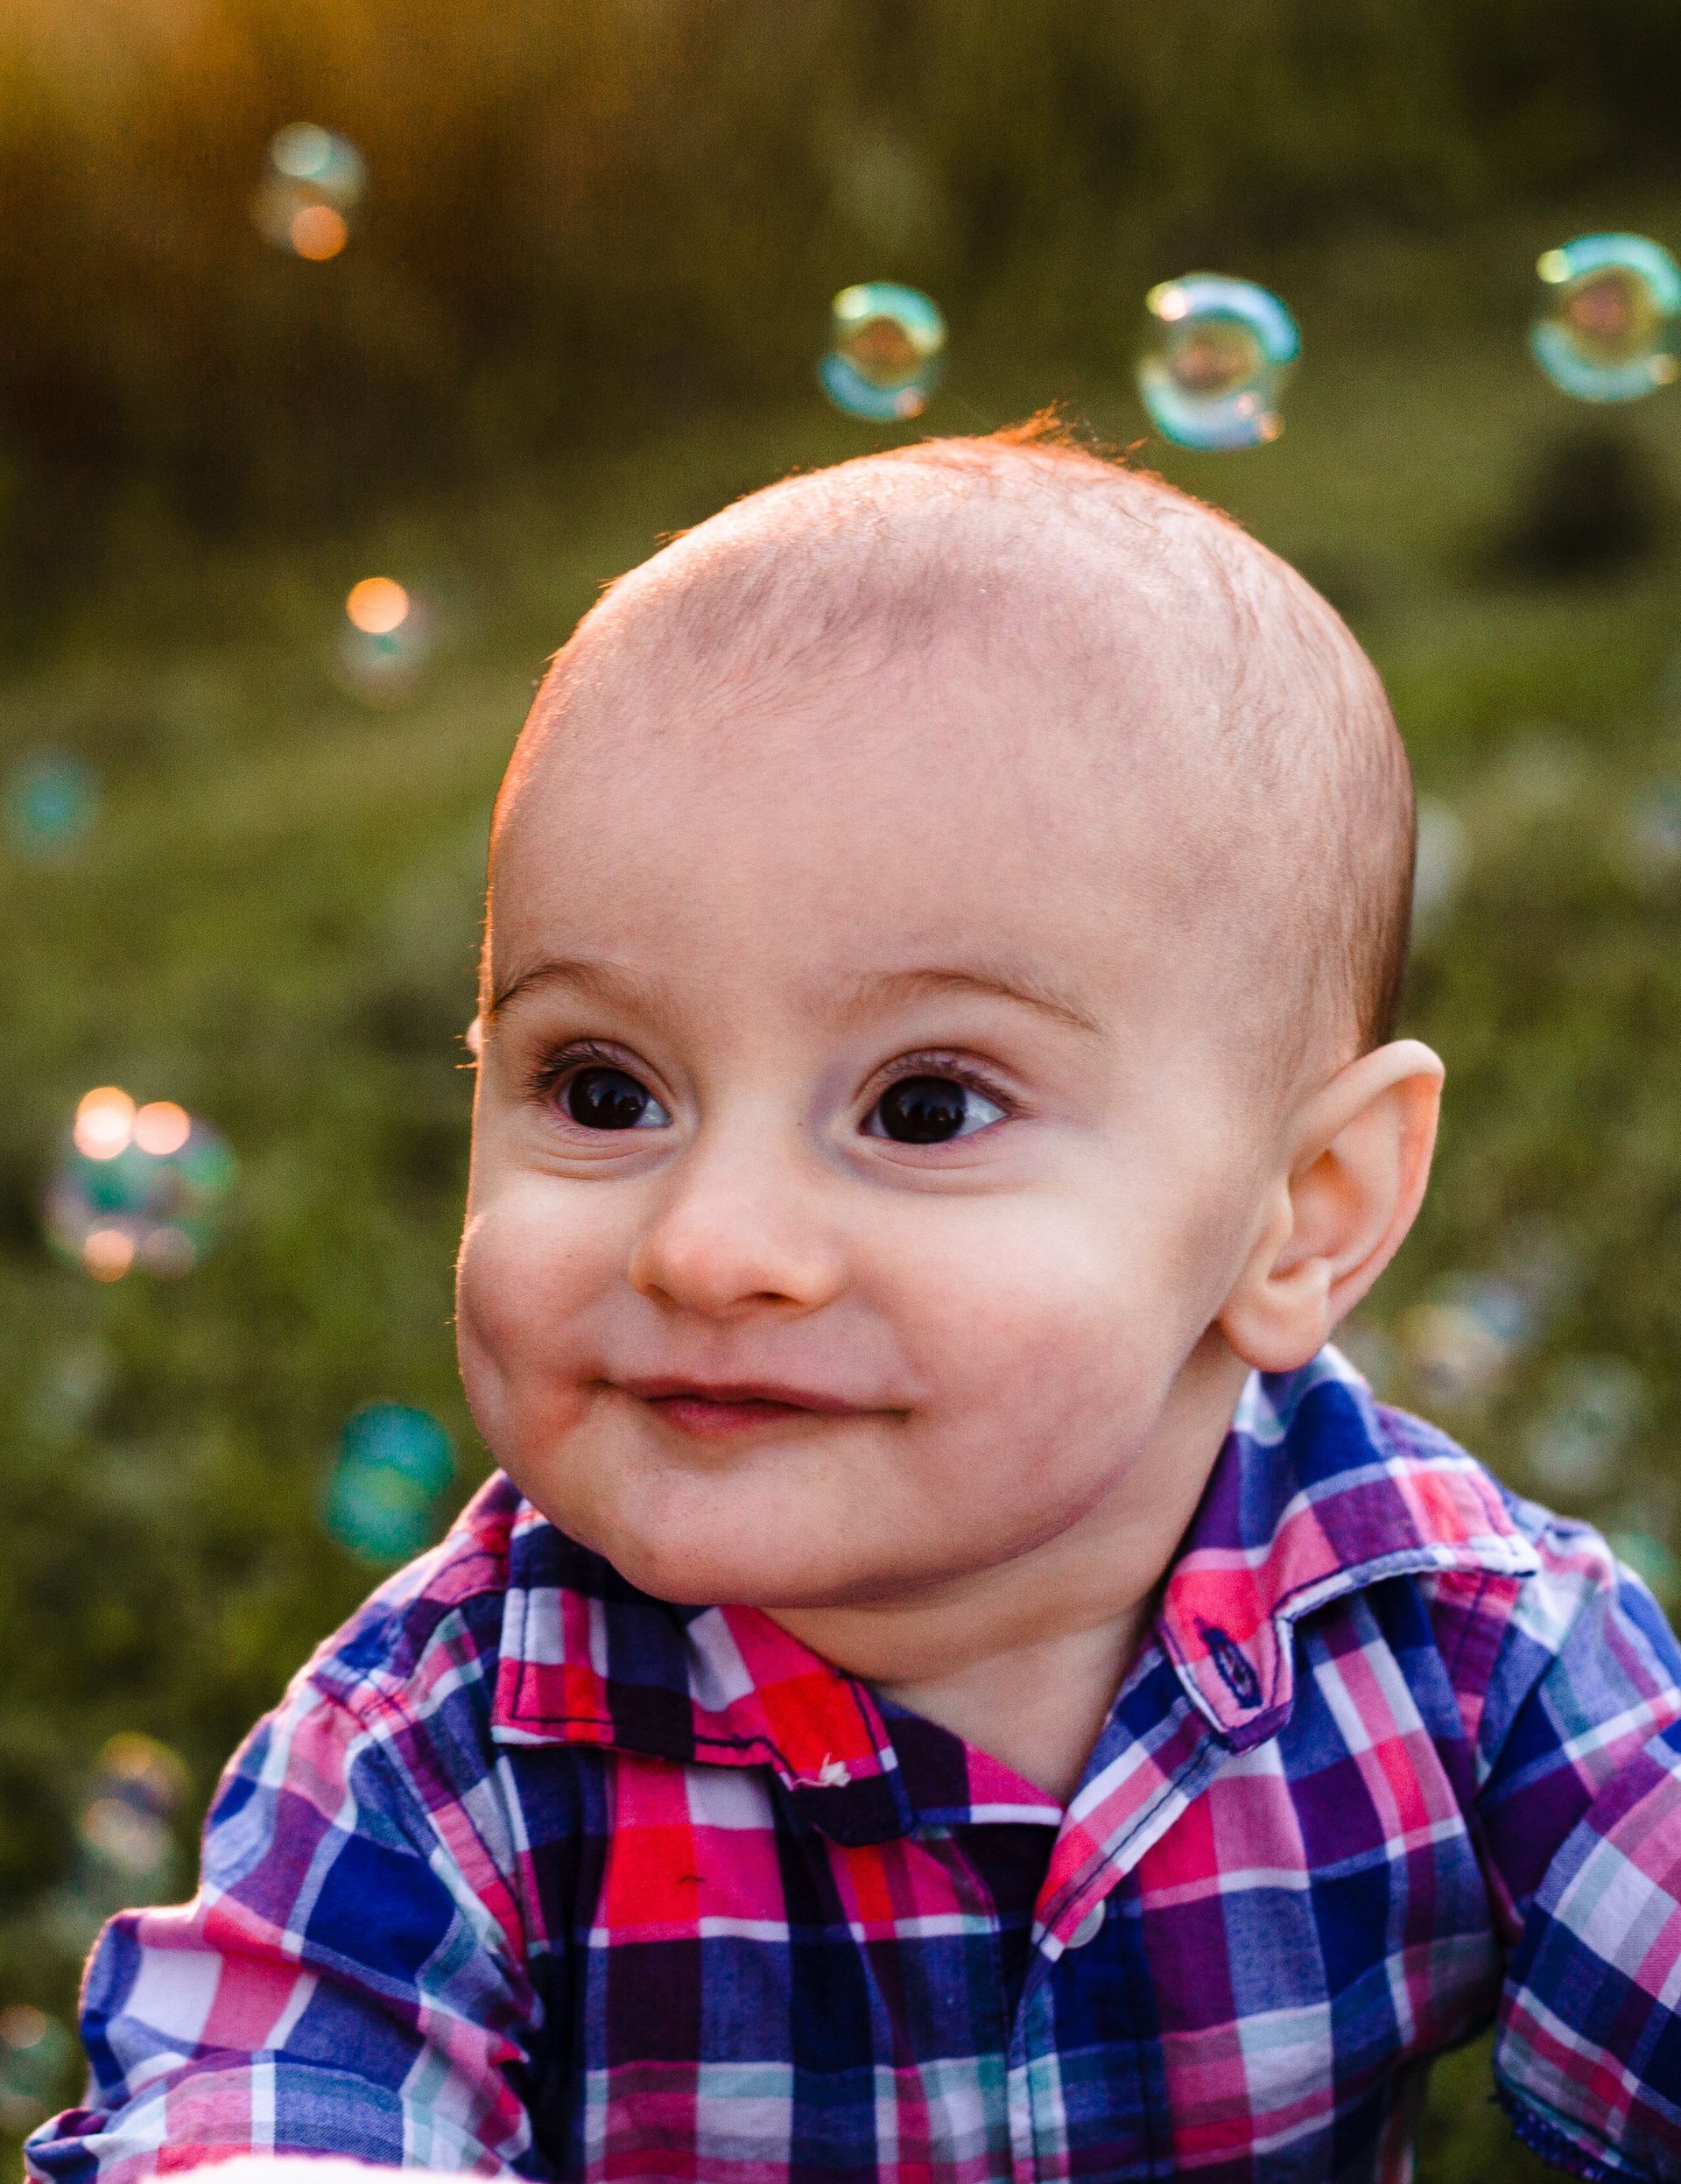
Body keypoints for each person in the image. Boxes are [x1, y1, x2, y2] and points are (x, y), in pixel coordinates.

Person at [27, 419, 1681, 2184]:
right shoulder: (440, 1758)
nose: (709, 1243)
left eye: (922, 1110)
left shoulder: (1459, 1649)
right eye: (603, 1090)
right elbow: (260, 2091)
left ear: (1303, 1217)